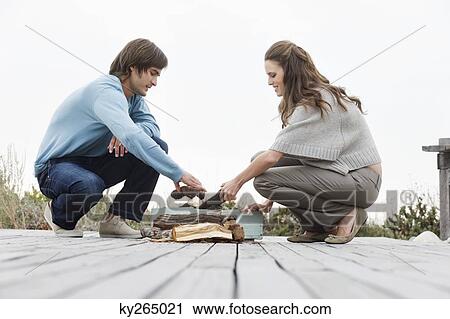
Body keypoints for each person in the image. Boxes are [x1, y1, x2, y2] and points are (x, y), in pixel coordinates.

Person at [35, 38, 205, 238]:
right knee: (90, 185)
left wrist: (129, 130)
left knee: (157, 145)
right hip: (55, 168)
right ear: (133, 67)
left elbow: (152, 128)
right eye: (152, 73)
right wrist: (177, 173)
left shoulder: (134, 98)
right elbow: (133, 136)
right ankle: (58, 214)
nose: (155, 83)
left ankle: (115, 220)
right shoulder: (105, 91)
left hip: (93, 162)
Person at [220, 40, 382, 244]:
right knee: (257, 162)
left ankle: (345, 213)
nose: (269, 82)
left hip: (362, 181)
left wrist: (236, 182)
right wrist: (269, 200)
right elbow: (292, 155)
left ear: (290, 72)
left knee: (262, 178)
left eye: (273, 75)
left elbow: (272, 157)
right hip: (343, 176)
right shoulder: (311, 98)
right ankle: (316, 227)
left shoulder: (315, 103)